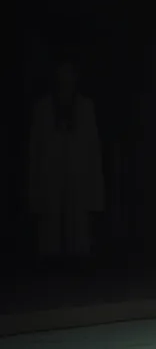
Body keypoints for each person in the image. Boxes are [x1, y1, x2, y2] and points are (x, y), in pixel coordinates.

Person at [28, 61, 105, 259]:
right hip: (50, 173)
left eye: (68, 73)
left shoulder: (85, 107)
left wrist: (94, 185)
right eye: (61, 74)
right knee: (50, 226)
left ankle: (77, 264)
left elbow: (92, 147)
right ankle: (50, 263)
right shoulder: (43, 108)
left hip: (77, 174)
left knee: (77, 226)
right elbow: (36, 147)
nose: (64, 78)